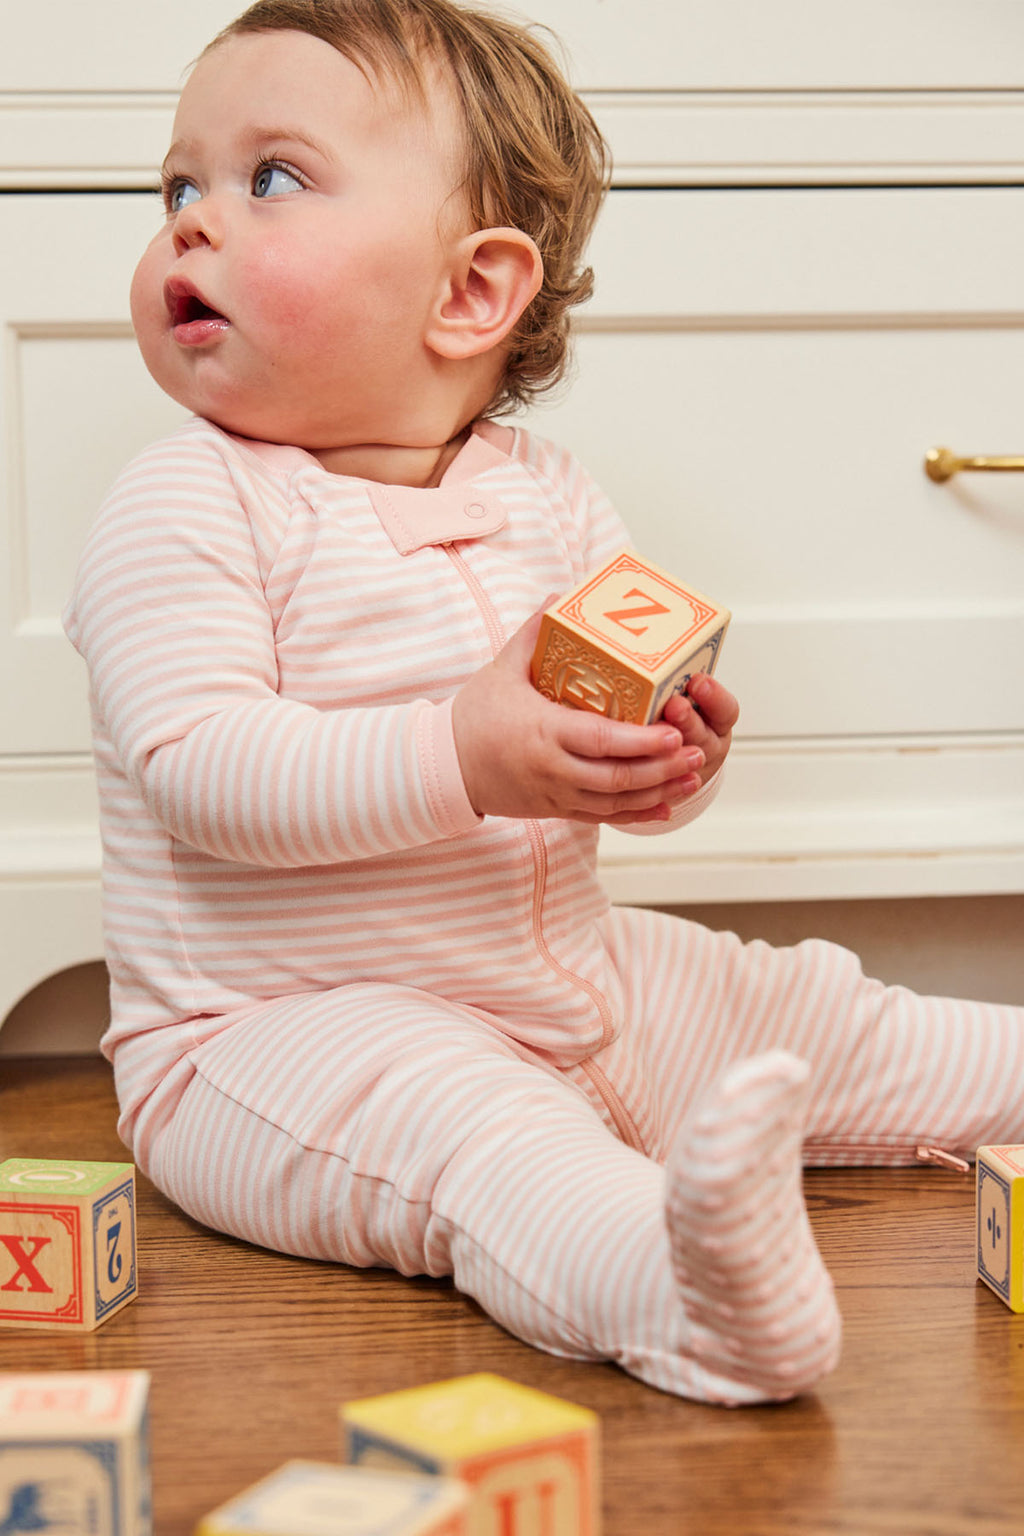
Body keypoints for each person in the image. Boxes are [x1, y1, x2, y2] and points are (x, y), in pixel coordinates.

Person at [64, 0, 1024, 1408]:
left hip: (566, 977)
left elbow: (575, 753)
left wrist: (653, 761)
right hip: (271, 1033)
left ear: (470, 292)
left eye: (269, 177)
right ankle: (683, 1287)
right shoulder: (184, 500)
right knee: (489, 1139)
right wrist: (465, 748)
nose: (192, 223)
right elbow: (199, 773)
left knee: (802, 1006)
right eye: (178, 185)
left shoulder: (548, 494)